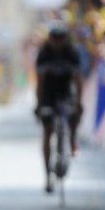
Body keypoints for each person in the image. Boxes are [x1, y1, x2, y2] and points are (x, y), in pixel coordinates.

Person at [34, 22, 84, 193]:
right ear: (50, 39)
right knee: (47, 131)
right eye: (55, 38)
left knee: (74, 113)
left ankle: (72, 138)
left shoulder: (72, 53)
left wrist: (79, 103)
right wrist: (39, 104)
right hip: (49, 91)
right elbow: (39, 83)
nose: (58, 41)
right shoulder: (44, 54)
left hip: (66, 90)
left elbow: (78, 81)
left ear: (66, 38)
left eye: (61, 37)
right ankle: (48, 175)